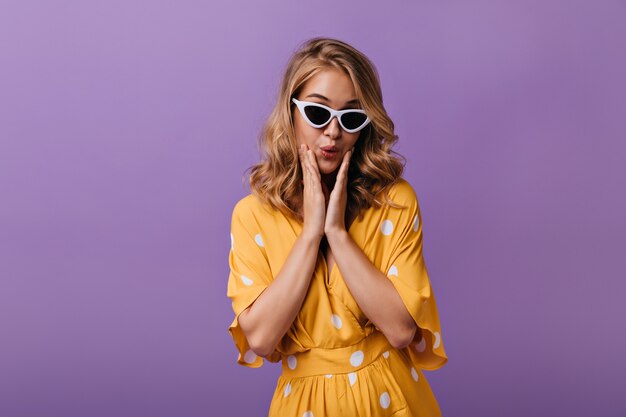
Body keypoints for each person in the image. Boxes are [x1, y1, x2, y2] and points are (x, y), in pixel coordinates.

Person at [227, 37, 448, 416]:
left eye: (350, 117)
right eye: (317, 113)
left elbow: (401, 330)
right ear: (290, 113)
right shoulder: (252, 215)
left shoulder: (394, 201)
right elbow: (262, 339)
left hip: (390, 399)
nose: (332, 132)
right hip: (305, 404)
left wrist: (337, 234)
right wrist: (311, 234)